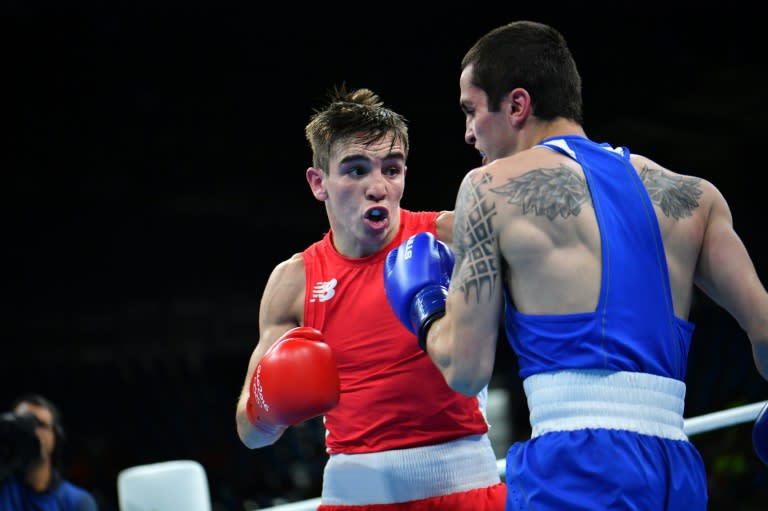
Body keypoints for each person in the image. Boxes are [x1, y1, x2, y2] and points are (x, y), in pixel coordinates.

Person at [383, 20, 768, 510]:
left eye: (471, 111)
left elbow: (466, 368)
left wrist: (425, 308)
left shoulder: (488, 187)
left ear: (517, 105)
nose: (467, 133)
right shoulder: (694, 197)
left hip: (575, 470)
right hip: (677, 473)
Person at [234, 85, 506, 510]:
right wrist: (270, 408)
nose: (378, 187)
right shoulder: (294, 282)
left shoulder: (452, 238)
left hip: (463, 488)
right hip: (352, 496)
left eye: (391, 169)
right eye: (357, 170)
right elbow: (250, 434)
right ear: (318, 182)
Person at [0, 393, 99, 511]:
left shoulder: (76, 502)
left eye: (40, 425)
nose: (32, 432)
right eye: (22, 424)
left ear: (56, 436)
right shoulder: (4, 488)